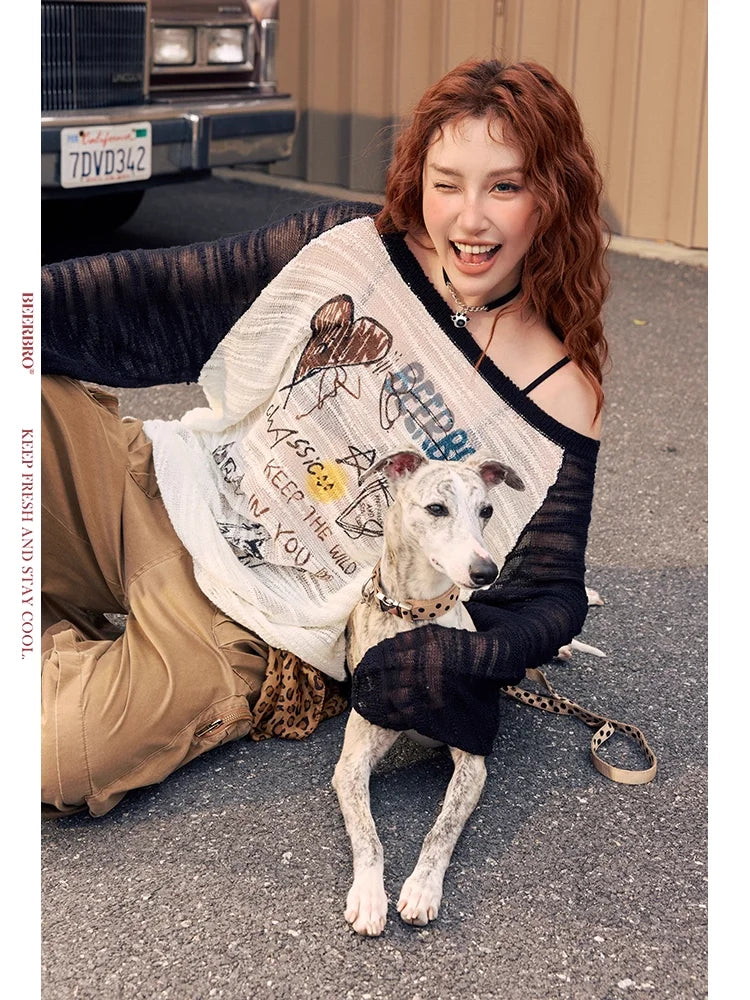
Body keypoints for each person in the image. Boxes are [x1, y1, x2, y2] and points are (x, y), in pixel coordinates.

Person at [41, 58, 609, 818]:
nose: (469, 220)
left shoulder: (561, 398)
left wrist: (461, 654)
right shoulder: (351, 247)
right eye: (447, 184)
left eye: (504, 187)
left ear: (553, 196)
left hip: (252, 617)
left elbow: (543, 590)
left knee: (59, 755)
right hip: (155, 485)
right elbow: (162, 297)